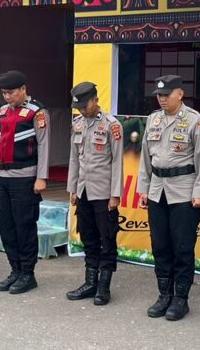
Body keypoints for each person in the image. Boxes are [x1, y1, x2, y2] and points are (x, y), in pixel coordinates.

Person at [137, 74, 200, 321]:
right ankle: (164, 295)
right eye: (159, 95)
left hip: (184, 191)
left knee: (182, 246)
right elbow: (145, 157)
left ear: (180, 94)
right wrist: (143, 189)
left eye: (166, 95)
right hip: (157, 189)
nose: (162, 99)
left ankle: (181, 298)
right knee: (160, 245)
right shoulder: (153, 119)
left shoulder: (195, 120)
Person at [65, 81, 124, 306]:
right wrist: (72, 188)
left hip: (104, 192)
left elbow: (117, 161)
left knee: (107, 239)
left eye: (85, 105)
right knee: (88, 238)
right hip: (83, 191)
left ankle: (104, 287)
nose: (82, 110)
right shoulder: (77, 124)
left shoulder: (111, 125)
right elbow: (74, 158)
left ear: (96, 100)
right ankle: (90, 283)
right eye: (78, 107)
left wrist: (115, 194)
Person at [0, 70, 49, 294]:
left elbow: (43, 145)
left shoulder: (37, 112)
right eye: (4, 93)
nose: (7, 97)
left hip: (25, 177)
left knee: (24, 226)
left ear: (23, 89)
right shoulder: (2, 112)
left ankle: (27, 273)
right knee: (6, 226)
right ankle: (14, 269)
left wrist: (41, 177)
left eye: (11, 92)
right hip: (3, 177)